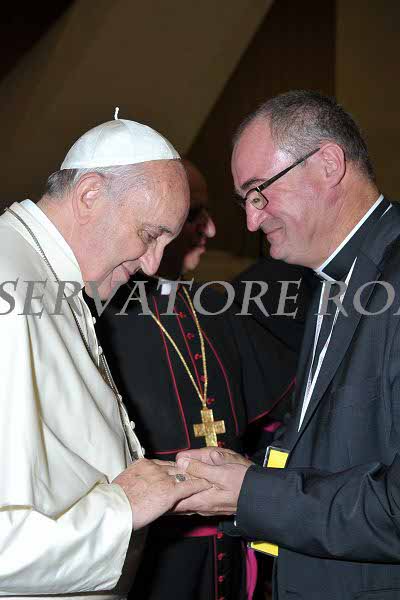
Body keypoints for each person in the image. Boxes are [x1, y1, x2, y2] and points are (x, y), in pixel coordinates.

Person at [174, 90, 400, 600]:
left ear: (328, 164)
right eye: (246, 201)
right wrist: (244, 475)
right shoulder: (330, 279)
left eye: (259, 193)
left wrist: (251, 494)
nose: (252, 222)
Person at [0, 114, 212, 598]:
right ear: (90, 194)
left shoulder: (54, 276)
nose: (153, 265)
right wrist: (124, 507)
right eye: (149, 234)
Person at [91, 159, 306, 600]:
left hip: (227, 546)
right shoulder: (95, 321)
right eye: (194, 215)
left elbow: (280, 415)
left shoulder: (216, 308)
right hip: (151, 559)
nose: (210, 229)